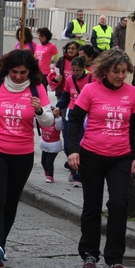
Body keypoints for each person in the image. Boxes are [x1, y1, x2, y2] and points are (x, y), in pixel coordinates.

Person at [0, 49, 55, 267]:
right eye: (14, 71)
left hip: (22, 155)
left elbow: (48, 122)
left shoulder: (37, 89)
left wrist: (39, 112)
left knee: (11, 202)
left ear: (30, 72)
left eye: (23, 72)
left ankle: (1, 244)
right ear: (6, 70)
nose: (18, 76)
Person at [67, 49, 135, 268]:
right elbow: (75, 121)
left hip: (120, 157)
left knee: (119, 204)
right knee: (92, 205)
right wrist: (72, 151)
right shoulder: (91, 90)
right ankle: (90, 254)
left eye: (124, 72)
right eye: (116, 71)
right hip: (92, 155)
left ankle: (115, 258)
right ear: (105, 71)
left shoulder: (133, 93)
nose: (121, 76)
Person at [55, 56, 94, 187]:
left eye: (78, 70)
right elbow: (66, 96)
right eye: (73, 70)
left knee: (81, 145)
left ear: (84, 68)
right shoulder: (70, 79)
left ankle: (79, 175)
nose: (75, 73)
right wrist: (59, 107)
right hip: (72, 113)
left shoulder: (91, 78)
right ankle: (73, 168)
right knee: (68, 146)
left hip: (86, 115)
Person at [38, 109, 64, 183]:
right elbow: (36, 123)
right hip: (45, 145)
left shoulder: (56, 123)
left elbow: (60, 127)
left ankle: (50, 175)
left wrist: (58, 117)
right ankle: (47, 171)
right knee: (43, 162)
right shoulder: (43, 123)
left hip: (54, 145)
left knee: (49, 161)